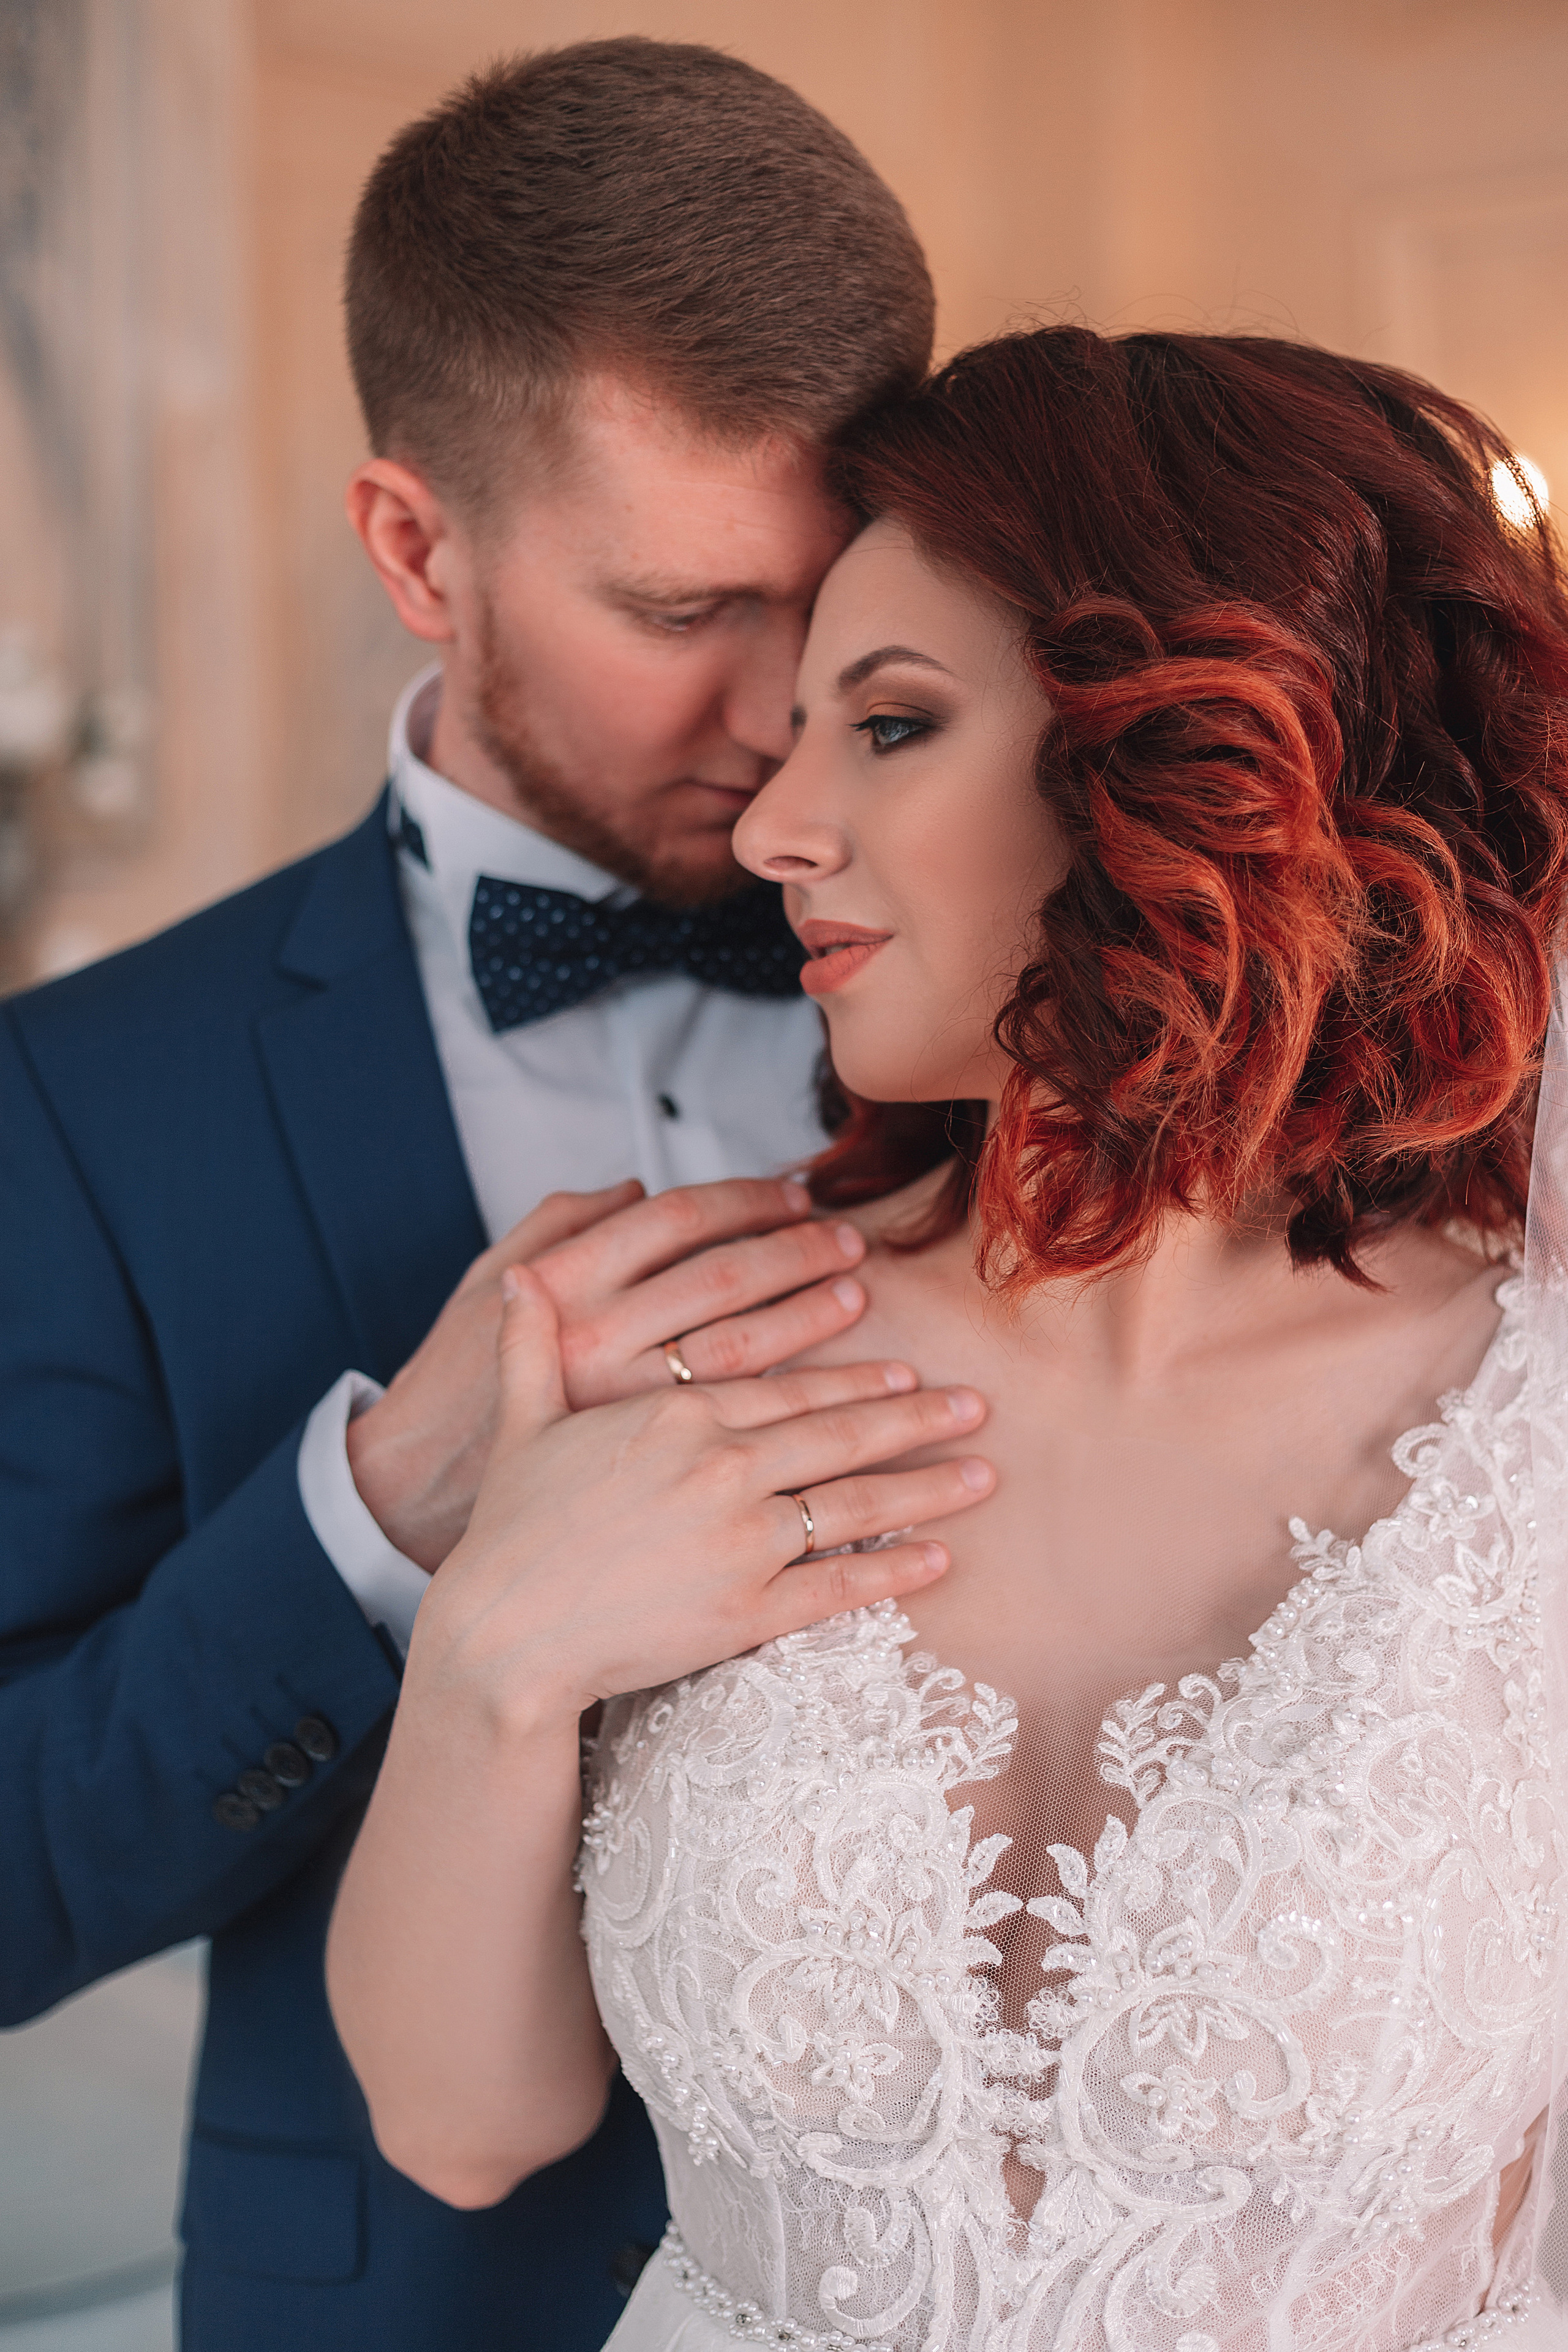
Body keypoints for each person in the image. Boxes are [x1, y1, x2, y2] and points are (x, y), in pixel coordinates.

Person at [326, 327, 1568, 2350]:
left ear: (1184, 766)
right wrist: (489, 1655)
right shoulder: (709, 1341)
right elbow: (464, 2123)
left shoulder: (1539, 1425)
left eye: (889, 727)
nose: (771, 827)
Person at [0, 39, 943, 2352]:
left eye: (833, 610)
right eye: (681, 610)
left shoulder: (1068, 985)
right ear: (416, 545)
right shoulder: (90, 1103)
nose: (782, 718)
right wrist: (384, 1505)